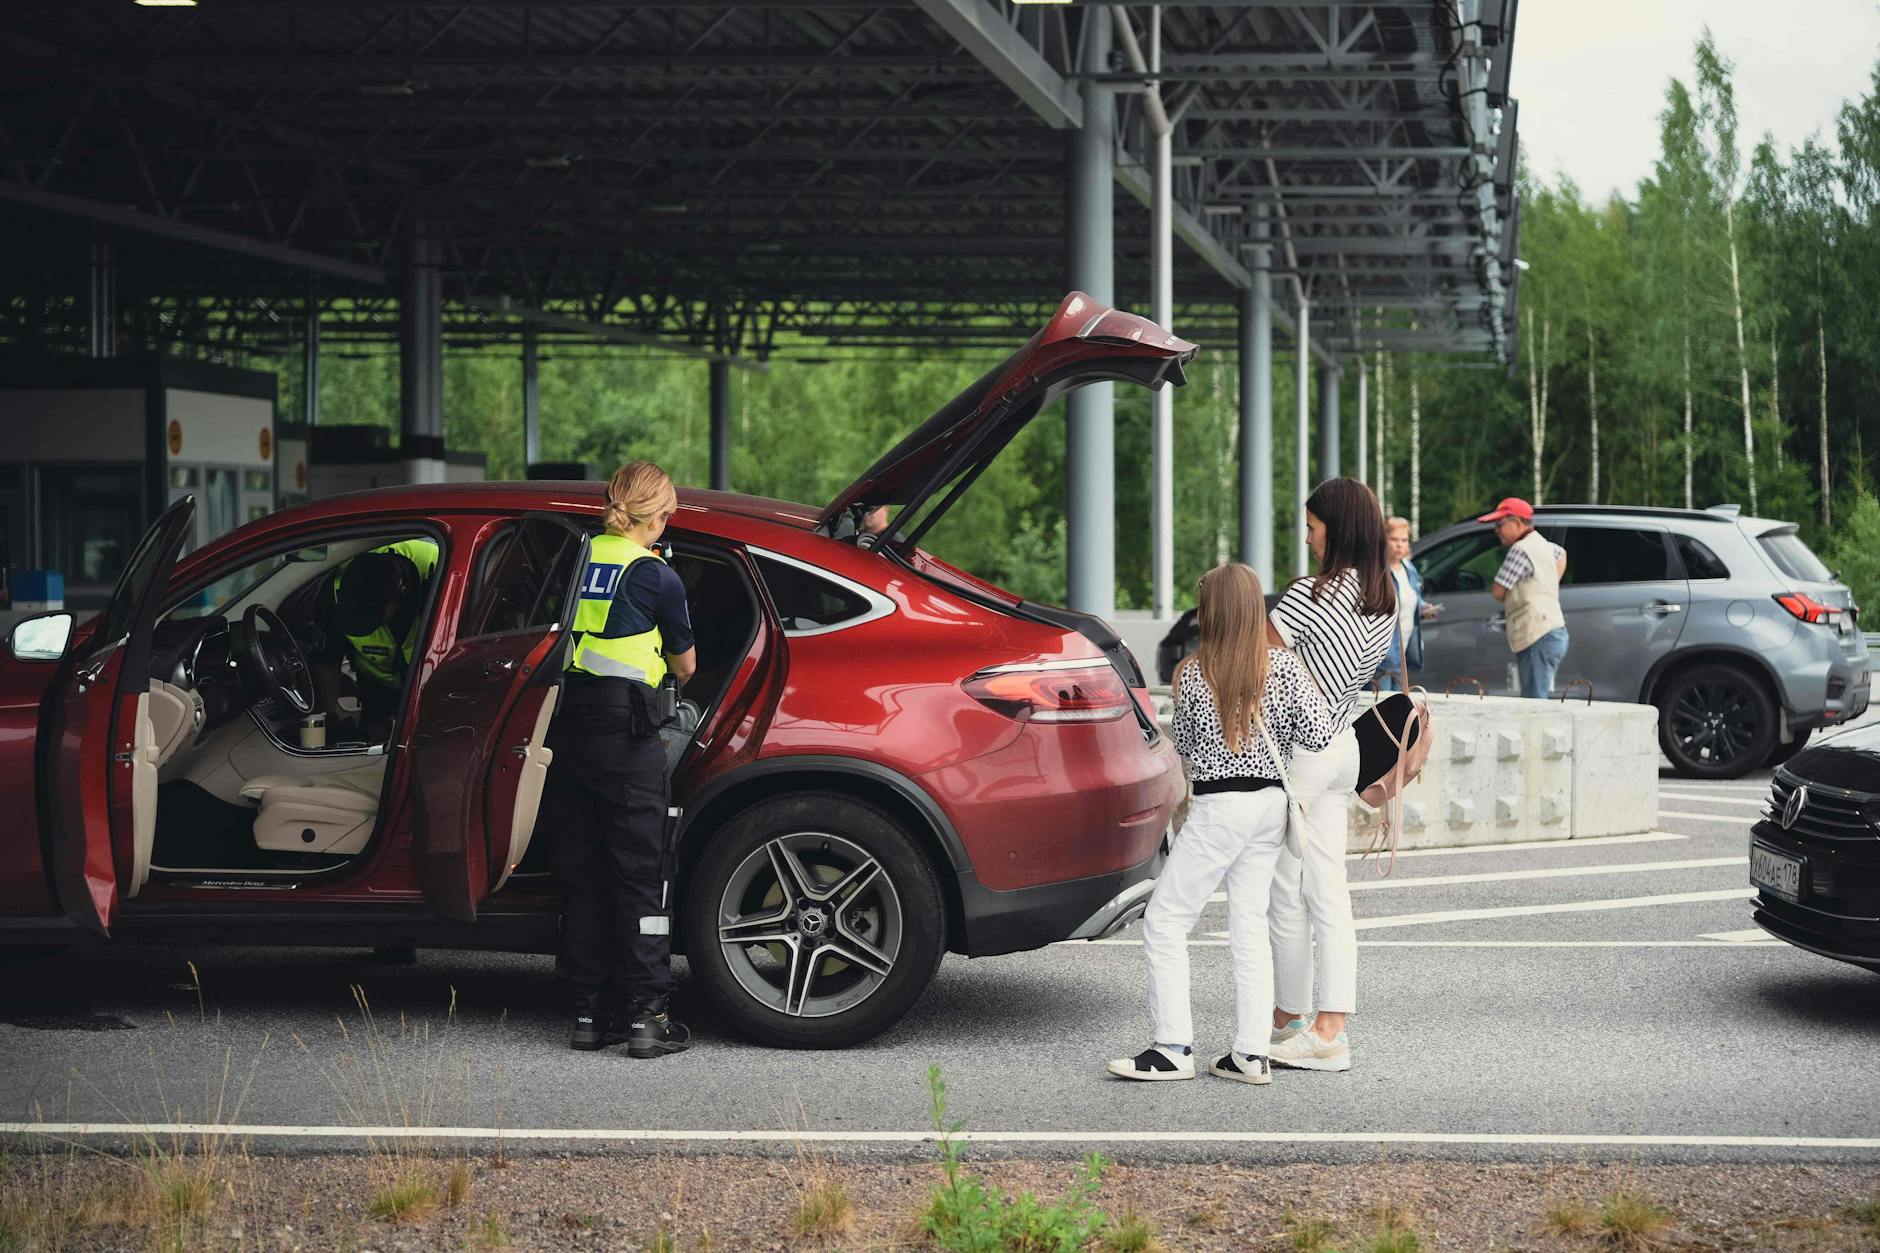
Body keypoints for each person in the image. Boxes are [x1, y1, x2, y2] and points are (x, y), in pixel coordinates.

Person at [1108, 563, 1335, 1084]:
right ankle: (1249, 1053)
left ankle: (1172, 1047)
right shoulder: (1285, 667)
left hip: (1220, 808)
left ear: (1210, 612)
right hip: (1268, 808)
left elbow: (1184, 746)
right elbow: (1320, 736)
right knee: (1249, 927)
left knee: (1166, 921)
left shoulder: (1193, 672)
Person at [540, 461, 697, 1058]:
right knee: (640, 877)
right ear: (657, 517)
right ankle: (646, 1018)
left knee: (581, 876)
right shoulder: (657, 576)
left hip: (565, 733)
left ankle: (586, 1014)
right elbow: (685, 667)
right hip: (628, 738)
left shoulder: (574, 560)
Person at [1264, 478, 1396, 1075]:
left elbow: (1256, 661)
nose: (1309, 539)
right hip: (1343, 744)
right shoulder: (1384, 595)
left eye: (1313, 528)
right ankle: (1315, 1024)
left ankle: (1306, 1025)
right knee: (1323, 889)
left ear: (1335, 529)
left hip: (1301, 754)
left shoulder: (1311, 596)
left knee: (1286, 892)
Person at [311, 537, 440, 741]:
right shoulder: (334, 587)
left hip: (434, 692)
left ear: (398, 597)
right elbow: (326, 657)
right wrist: (328, 715)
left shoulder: (441, 568)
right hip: (376, 689)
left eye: (370, 620)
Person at [1479, 497, 1569, 699]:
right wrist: (1547, 583)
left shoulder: (1520, 550)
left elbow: (1498, 591)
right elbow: (1562, 554)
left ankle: (1538, 732)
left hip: (1536, 634)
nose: (1496, 530)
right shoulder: (1544, 545)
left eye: (1499, 524)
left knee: (1534, 701)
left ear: (1517, 522)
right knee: (1539, 695)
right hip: (1554, 631)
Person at [1375, 516, 1431, 692]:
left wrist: (1424, 608)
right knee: (1382, 709)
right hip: (1382, 655)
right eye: (1394, 540)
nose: (1400, 545)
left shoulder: (1409, 568)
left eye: (1404, 540)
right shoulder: (1377, 571)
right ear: (1384, 541)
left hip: (1402, 653)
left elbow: (1413, 597)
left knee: (1398, 708)